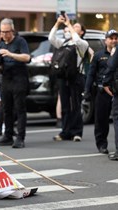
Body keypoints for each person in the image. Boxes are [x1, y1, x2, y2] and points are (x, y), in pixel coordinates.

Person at [49, 14, 88, 142]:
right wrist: (57, 23)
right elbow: (51, 38)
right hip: (63, 77)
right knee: (65, 106)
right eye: (73, 26)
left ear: (81, 32)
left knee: (76, 105)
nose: (73, 27)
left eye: (77, 26)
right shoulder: (64, 43)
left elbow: (76, 40)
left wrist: (69, 25)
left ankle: (77, 132)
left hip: (76, 77)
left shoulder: (82, 43)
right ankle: (65, 132)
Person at [0, 18, 31, 149]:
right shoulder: (1, 44)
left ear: (12, 30)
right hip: (6, 79)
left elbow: (27, 57)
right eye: (2, 32)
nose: (3, 35)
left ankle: (20, 137)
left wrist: (9, 54)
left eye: (6, 32)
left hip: (19, 79)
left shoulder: (20, 41)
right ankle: (8, 135)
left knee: (20, 109)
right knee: (6, 109)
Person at [85, 30, 117, 154]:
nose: (114, 40)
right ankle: (102, 144)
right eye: (111, 38)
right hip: (102, 92)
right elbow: (91, 73)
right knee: (101, 120)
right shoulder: (98, 55)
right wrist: (87, 90)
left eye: (116, 38)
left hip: (115, 91)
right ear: (106, 40)